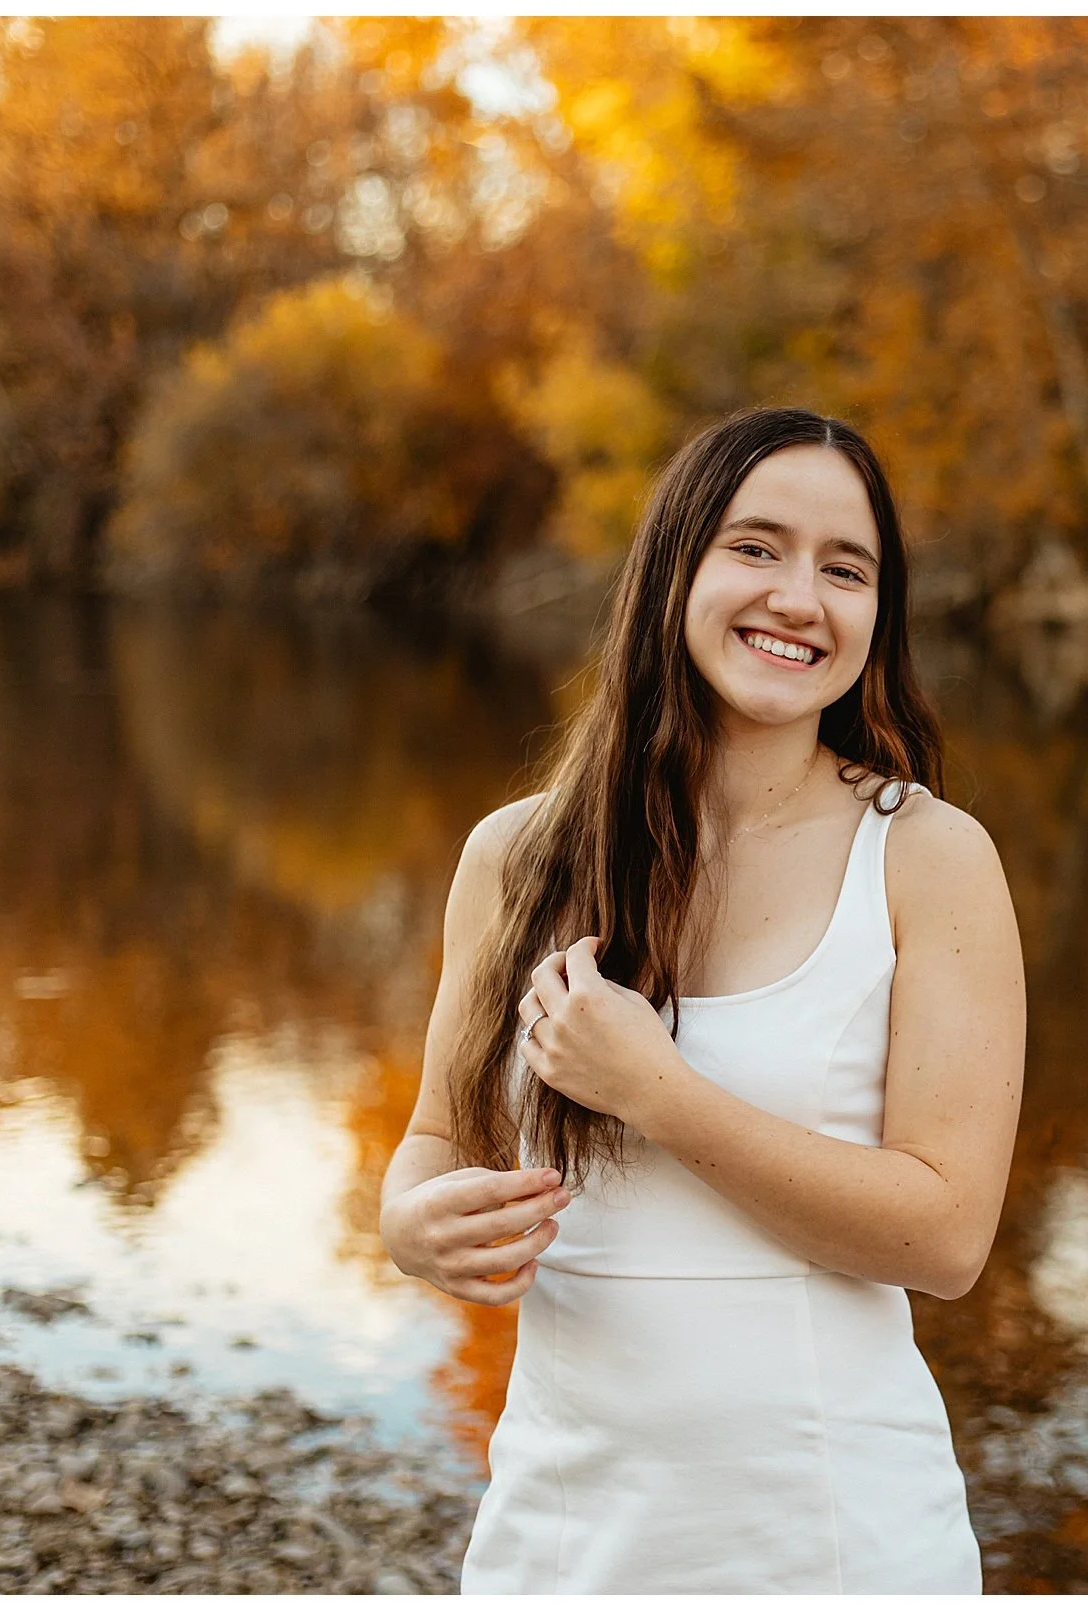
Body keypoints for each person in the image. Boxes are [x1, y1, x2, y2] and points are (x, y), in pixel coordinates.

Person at [378, 407, 1025, 1592]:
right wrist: (410, 1226)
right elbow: (438, 1139)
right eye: (757, 547)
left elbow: (944, 1239)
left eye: (846, 569)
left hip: (835, 1549)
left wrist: (660, 1095)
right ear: (674, 566)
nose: (799, 598)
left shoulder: (928, 858)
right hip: (563, 1544)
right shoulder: (515, 858)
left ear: (879, 616)